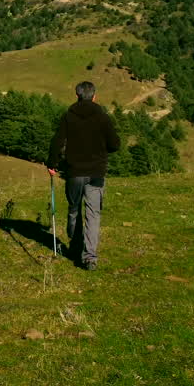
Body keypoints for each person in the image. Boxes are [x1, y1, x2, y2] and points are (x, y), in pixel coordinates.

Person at [46, 81, 121, 270]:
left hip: (74, 172)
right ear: (94, 96)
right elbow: (115, 144)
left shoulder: (68, 116)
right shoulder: (103, 117)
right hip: (96, 172)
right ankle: (90, 258)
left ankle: (75, 247)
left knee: (74, 209)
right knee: (93, 214)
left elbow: (57, 142)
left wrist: (52, 164)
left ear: (77, 96)